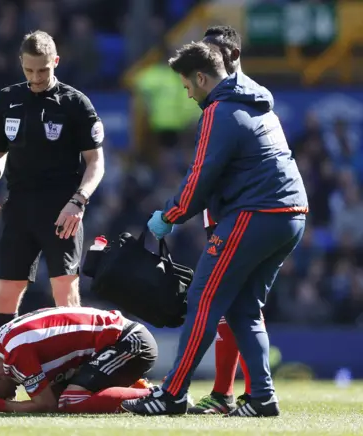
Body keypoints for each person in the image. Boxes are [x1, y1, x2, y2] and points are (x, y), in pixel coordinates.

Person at [122, 42, 307, 417]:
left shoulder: (219, 111)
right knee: (244, 309)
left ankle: (172, 394)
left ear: (202, 78)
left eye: (188, 86)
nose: (188, 94)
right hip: (291, 214)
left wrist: (168, 216)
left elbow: (199, 178)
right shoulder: (257, 103)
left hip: (255, 214)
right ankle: (261, 398)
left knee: (202, 299)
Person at [0, 30, 106, 337]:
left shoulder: (75, 103)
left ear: (56, 62)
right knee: (5, 291)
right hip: (19, 205)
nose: (36, 77)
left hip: (62, 209)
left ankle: (72, 371)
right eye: (29, 70)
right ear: (21, 63)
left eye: (43, 70)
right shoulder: (8, 99)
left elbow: (96, 162)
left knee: (65, 291)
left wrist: (79, 201)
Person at [188, 25, 254, 415]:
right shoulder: (224, 97)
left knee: (229, 301)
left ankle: (237, 392)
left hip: (240, 213)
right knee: (237, 303)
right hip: (226, 210)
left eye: (212, 54)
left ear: (230, 55)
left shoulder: (239, 98)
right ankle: (235, 392)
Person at [0, 307, 157, 414]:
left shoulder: (14, 354)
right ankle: (140, 388)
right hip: (120, 340)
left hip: (129, 341)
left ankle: (159, 396)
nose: (9, 396)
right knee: (59, 394)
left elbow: (47, 405)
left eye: (0, 394)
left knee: (70, 401)